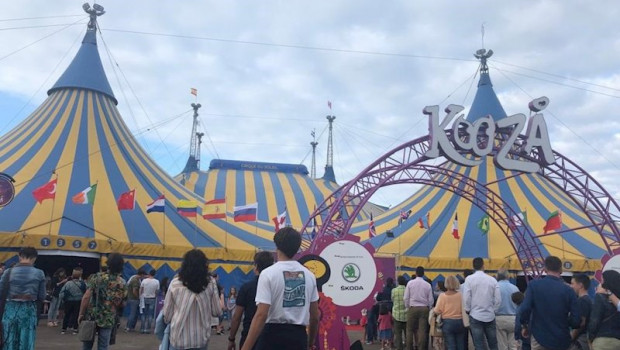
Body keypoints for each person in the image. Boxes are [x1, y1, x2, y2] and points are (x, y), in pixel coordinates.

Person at [240, 227, 319, 350]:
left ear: (277, 246)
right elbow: (315, 316)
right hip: (298, 338)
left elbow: (261, 314)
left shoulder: (268, 274)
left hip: (272, 337)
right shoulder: (309, 276)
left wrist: (246, 347)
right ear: (297, 248)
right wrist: (310, 343)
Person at [163, 249, 222, 350]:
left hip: (179, 339)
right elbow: (217, 311)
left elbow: (167, 316)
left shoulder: (175, 283)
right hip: (201, 339)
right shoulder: (210, 283)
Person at [519, 256, 580, 350]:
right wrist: (568, 322)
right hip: (561, 338)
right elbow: (576, 320)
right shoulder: (569, 290)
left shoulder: (534, 285)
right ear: (561, 269)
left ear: (545, 269)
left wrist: (524, 325)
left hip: (539, 336)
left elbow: (525, 308)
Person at [78, 253, 127, 350]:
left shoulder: (97, 277)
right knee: (103, 346)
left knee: (87, 344)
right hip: (108, 318)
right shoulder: (121, 283)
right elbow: (122, 303)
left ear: (108, 263)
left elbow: (86, 297)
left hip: (92, 315)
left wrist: (81, 314)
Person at [0, 247, 46, 350]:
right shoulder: (39, 273)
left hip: (10, 310)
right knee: (26, 339)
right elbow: (42, 296)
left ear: (20, 256)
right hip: (28, 311)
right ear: (34, 258)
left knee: (9, 339)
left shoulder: (8, 272)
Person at [228, 251, 274, 350]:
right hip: (271, 336)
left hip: (249, 335)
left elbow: (237, 316)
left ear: (256, 266)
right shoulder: (276, 286)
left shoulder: (246, 288)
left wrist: (231, 338)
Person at [462, 257, 501, 350]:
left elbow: (466, 297)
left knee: (479, 344)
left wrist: (467, 309)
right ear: (483, 266)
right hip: (490, 315)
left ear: (473, 267)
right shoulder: (492, 280)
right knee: (493, 344)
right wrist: (494, 310)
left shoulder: (469, 279)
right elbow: (498, 299)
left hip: (475, 315)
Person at [588, 270, 620, 349]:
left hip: (602, 340)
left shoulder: (600, 297)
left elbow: (595, 320)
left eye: (602, 280)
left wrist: (590, 337)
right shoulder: (617, 299)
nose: (600, 283)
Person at [404, 266, 434, 350]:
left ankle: (409, 347)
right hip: (424, 308)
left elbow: (406, 297)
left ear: (416, 273)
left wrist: (408, 306)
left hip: (413, 307)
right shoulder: (427, 285)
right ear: (423, 274)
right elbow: (431, 299)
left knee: (409, 329)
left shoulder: (410, 283)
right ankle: (421, 348)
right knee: (422, 331)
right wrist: (429, 307)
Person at [434, 275, 466, 350]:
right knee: (461, 344)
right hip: (460, 321)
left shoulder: (442, 296)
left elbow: (437, 310)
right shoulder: (460, 295)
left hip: (447, 322)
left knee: (451, 345)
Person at [495, 269, 519, 350]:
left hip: (499, 318)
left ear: (497, 276)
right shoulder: (515, 288)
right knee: (513, 345)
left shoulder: (496, 287)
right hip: (513, 318)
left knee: (502, 345)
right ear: (508, 276)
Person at [59, 267, 86, 334]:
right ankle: (75, 329)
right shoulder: (82, 284)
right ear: (80, 275)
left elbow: (62, 292)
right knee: (76, 315)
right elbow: (85, 292)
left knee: (67, 315)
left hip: (68, 301)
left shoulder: (68, 283)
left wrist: (62, 300)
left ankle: (64, 329)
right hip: (78, 301)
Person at [569, 274, 591, 350]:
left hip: (580, 341)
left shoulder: (582, 301)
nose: (571, 286)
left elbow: (581, 323)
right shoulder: (588, 300)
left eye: (572, 283)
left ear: (580, 285)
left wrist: (571, 336)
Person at [140, 269, 160, 334]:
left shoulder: (144, 281)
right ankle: (148, 329)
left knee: (143, 314)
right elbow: (157, 291)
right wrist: (155, 296)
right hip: (152, 298)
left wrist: (140, 296)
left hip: (144, 298)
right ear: (155, 274)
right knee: (150, 314)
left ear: (149, 273)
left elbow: (141, 289)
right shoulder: (157, 281)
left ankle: (142, 328)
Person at [391, 275, 407, 350]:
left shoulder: (394, 290)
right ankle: (408, 346)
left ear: (398, 282)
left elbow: (392, 300)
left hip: (396, 315)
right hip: (406, 315)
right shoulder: (408, 290)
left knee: (398, 334)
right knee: (408, 334)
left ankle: (399, 347)